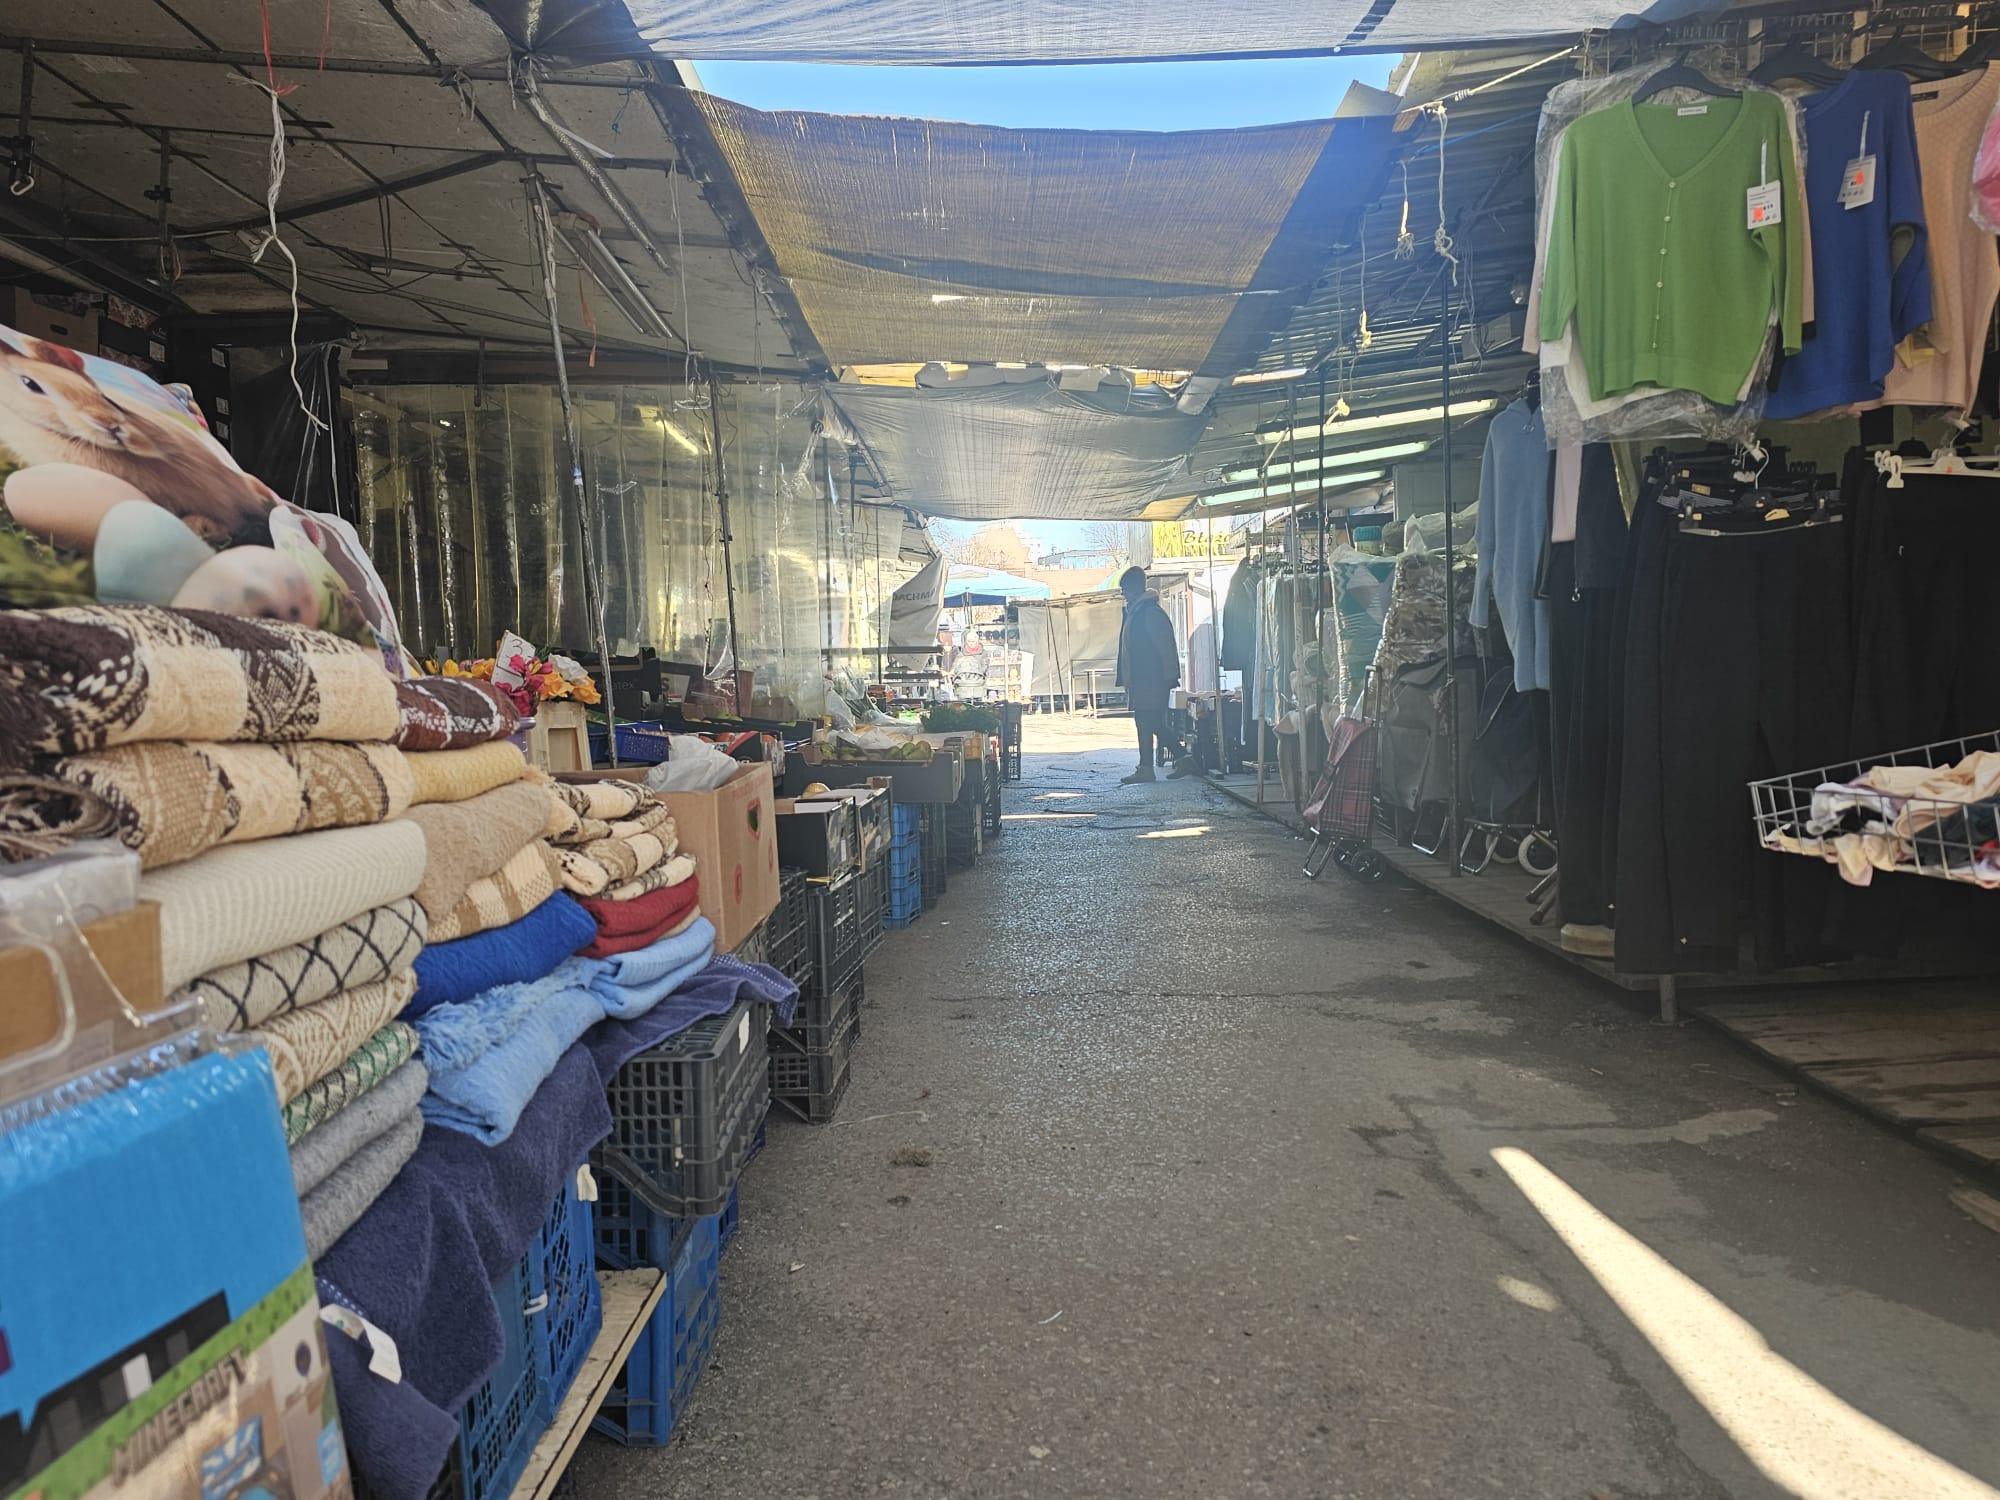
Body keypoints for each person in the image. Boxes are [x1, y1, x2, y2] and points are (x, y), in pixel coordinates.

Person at [1113, 565, 1191, 784]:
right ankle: (1167, 762)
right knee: (1148, 721)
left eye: (1125, 589)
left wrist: (1170, 675)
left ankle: (1157, 764)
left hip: (1151, 678)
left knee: (1148, 720)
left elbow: (1166, 645)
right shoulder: (1136, 612)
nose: (1123, 594)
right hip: (1142, 678)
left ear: (1134, 589)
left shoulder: (1149, 612)